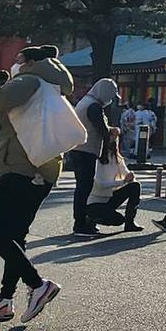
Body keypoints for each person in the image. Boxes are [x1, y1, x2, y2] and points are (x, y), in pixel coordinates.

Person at [0, 45, 74, 323]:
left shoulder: (29, 80)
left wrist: (10, 80)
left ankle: (37, 284)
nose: (14, 62)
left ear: (31, 62)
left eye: (19, 59)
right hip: (42, 167)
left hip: (20, 165)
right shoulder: (53, 84)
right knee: (15, 235)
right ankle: (4, 300)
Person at [70, 78, 123, 237]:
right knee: (84, 188)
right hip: (86, 151)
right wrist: (113, 131)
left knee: (82, 188)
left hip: (79, 149)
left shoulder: (85, 102)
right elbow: (101, 129)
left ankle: (82, 221)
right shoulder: (94, 106)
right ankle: (80, 223)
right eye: (110, 96)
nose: (110, 99)